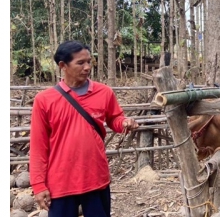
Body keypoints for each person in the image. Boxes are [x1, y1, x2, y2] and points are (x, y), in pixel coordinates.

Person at [29, 40, 139, 217]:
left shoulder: (104, 92)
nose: (87, 67)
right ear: (63, 66)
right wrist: (39, 185)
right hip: (60, 182)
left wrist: (125, 122)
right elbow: (38, 147)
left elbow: (115, 119)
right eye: (80, 63)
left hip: (96, 178)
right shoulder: (44, 100)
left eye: (89, 61)